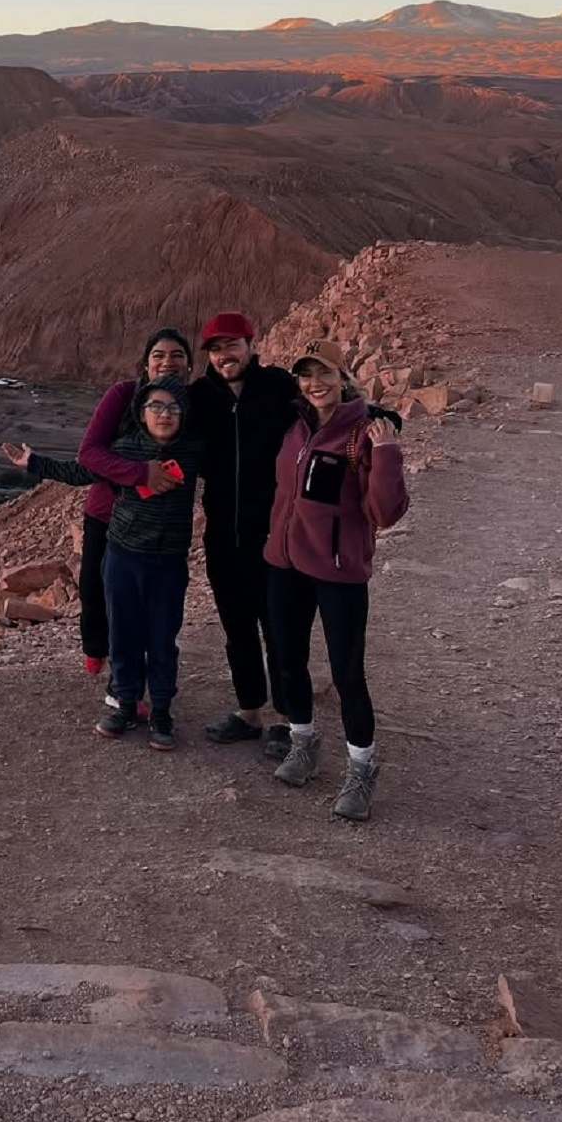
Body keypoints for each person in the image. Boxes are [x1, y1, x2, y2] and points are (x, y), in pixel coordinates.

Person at [1, 328, 192, 717]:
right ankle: (113, 674)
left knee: (148, 612)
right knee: (103, 598)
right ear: (144, 362)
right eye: (158, 354)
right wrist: (142, 473)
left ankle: (135, 696)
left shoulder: (190, 408)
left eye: (176, 355)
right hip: (109, 518)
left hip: (163, 533)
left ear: (190, 365)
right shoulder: (123, 398)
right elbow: (89, 458)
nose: (167, 362)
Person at [263, 338, 408, 821]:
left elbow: (385, 512)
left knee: (347, 674)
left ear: (343, 378)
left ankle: (362, 769)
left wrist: (387, 454)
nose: (315, 383)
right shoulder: (294, 424)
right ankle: (303, 742)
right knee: (287, 660)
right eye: (306, 375)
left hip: (339, 572)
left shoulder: (365, 432)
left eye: (324, 373)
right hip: (285, 564)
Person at [186, 312, 299, 758]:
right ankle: (249, 712)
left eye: (231, 345)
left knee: (279, 626)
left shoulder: (277, 386)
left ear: (251, 344)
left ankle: (288, 720)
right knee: (237, 628)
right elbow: (154, 415)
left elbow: (327, 406)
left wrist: (375, 417)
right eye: (215, 349)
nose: (224, 355)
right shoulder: (199, 397)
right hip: (222, 537)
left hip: (272, 534)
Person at [78, 374, 201, 751]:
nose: (164, 414)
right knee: (124, 634)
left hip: (167, 563)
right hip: (122, 556)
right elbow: (82, 467)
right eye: (155, 406)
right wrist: (32, 462)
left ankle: (162, 709)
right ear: (141, 412)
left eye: (173, 407)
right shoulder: (125, 449)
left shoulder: (195, 449)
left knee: (162, 638)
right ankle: (126, 703)